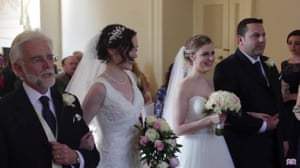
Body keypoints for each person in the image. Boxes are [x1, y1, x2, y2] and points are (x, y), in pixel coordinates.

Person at [0, 30, 100, 168]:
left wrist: (76, 157)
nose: (48, 66)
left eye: (49, 57)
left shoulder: (70, 103)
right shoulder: (5, 111)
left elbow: (93, 156)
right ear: (18, 69)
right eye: (37, 60)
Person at [66, 24, 144, 168]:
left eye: (136, 49)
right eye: (131, 49)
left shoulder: (131, 77)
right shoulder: (100, 88)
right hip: (112, 160)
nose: (135, 55)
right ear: (112, 50)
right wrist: (86, 145)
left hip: (136, 156)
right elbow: (79, 127)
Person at [214, 18, 285, 168]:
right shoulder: (226, 68)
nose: (262, 40)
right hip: (246, 145)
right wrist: (263, 125)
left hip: (275, 144)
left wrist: (283, 138)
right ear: (240, 39)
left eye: (264, 35)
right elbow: (228, 111)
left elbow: (278, 102)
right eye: (255, 36)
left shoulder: (270, 64)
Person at [163, 35, 234, 167]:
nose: (211, 58)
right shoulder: (183, 86)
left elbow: (213, 113)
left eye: (212, 53)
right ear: (192, 56)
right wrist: (208, 120)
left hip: (215, 144)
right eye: (205, 54)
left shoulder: (209, 81)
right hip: (193, 146)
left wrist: (221, 117)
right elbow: (177, 129)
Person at [281, 30, 300, 166]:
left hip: (298, 107)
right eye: (290, 43)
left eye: (297, 44)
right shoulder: (284, 64)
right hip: (285, 106)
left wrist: (293, 96)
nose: (292, 47)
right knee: (285, 139)